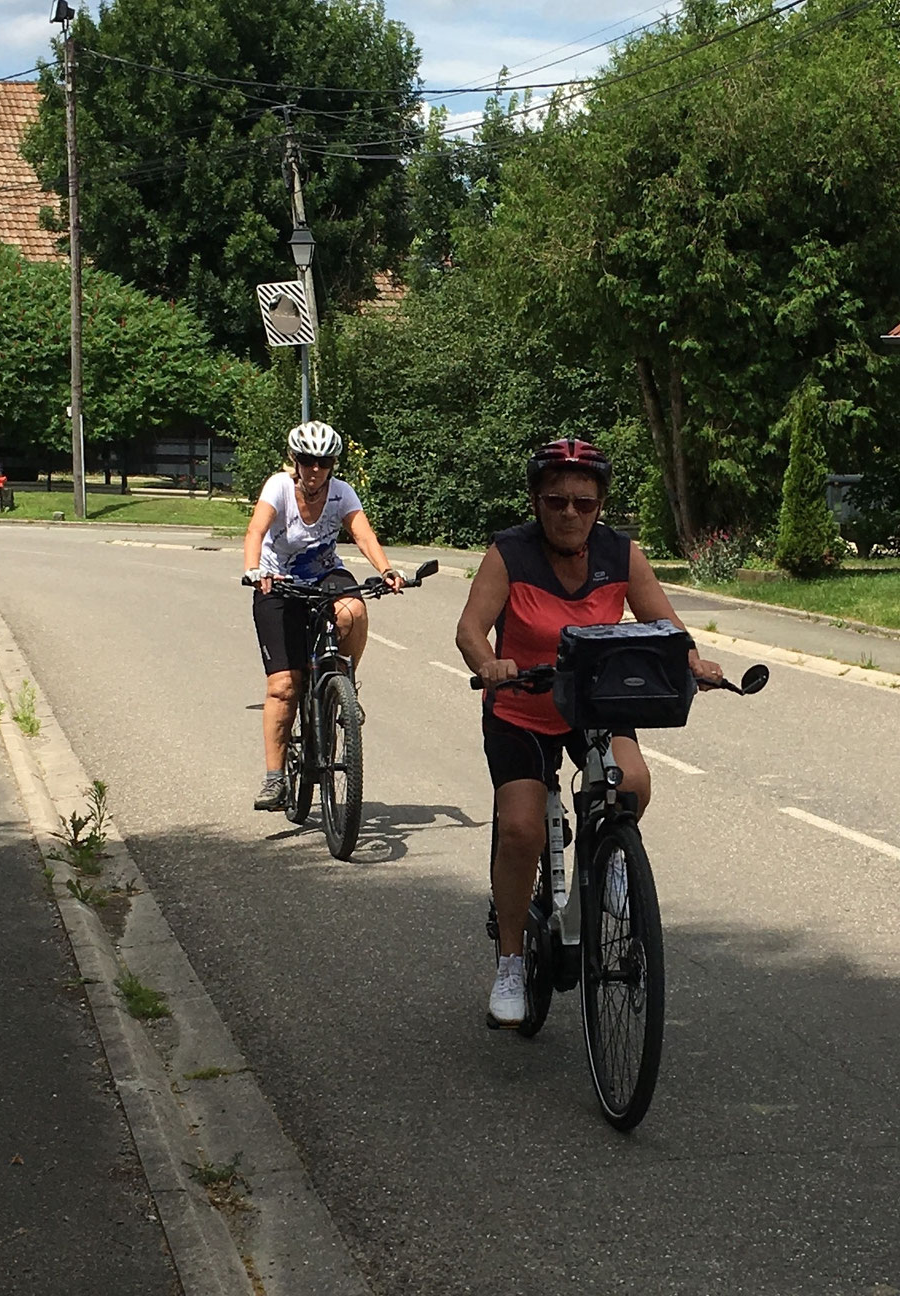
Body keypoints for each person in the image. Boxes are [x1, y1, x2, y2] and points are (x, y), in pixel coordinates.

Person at [454, 436, 722, 1028]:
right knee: (522, 828)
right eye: (556, 501)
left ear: (600, 505)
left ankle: (607, 873)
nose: (570, 513)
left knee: (634, 784)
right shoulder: (510, 553)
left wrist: (694, 662)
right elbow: (471, 627)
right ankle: (511, 960)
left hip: (592, 701)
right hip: (521, 707)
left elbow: (666, 626)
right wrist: (488, 663)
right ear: (537, 500)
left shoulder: (622, 556)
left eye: (584, 502)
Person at [240, 421, 403, 813]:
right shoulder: (279, 487)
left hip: (323, 574)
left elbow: (363, 534)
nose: (315, 470)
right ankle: (275, 778)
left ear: (332, 464)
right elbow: (255, 531)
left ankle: (343, 683)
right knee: (284, 686)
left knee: (354, 608)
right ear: (295, 460)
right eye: (308, 461)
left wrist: (386, 570)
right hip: (276, 582)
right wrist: (253, 569)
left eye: (324, 462)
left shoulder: (341, 493)